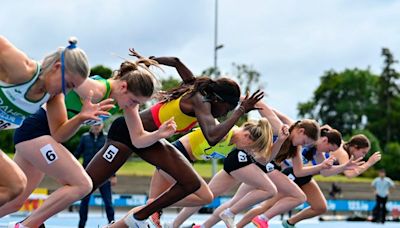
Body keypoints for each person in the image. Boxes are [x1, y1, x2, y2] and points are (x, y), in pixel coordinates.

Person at [86, 50, 264, 228]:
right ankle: (138, 216)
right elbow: (212, 137)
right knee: (86, 185)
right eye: (226, 110)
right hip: (127, 133)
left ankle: (140, 216)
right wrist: (240, 111)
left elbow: (176, 62)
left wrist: (150, 60)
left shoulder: (196, 89)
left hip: (152, 140)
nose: (225, 114)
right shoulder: (200, 99)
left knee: (196, 188)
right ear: (218, 100)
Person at [0, 51, 165, 227]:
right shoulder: (96, 89)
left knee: (14, 202)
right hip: (36, 130)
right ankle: (26, 225)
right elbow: (71, 75)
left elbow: (138, 139)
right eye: (133, 101)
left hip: (47, 137)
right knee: (82, 184)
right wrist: (61, 61)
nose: (133, 106)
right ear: (123, 87)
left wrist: (159, 134)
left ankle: (27, 223)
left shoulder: (125, 101)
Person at [0, 36, 116, 227]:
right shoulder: (22, 69)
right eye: (69, 84)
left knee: (15, 187)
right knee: (17, 184)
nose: (67, 91)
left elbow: (59, 135)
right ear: (56, 67)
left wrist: (80, 118)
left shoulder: (53, 96)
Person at [149, 118, 277, 228]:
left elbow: (264, 159)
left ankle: (158, 209)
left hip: (180, 160)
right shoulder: (225, 133)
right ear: (246, 136)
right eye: (249, 147)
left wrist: (280, 139)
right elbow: (208, 119)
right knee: (204, 196)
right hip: (174, 155)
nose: (248, 151)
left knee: (152, 203)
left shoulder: (232, 142)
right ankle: (158, 206)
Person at [74, 123, 116, 228]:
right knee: (84, 203)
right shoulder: (85, 138)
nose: (97, 126)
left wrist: (114, 175)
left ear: (102, 125)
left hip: (104, 175)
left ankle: (113, 224)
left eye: (99, 124)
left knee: (108, 203)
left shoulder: (107, 138)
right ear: (91, 125)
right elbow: (76, 155)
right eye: (95, 124)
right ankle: (81, 225)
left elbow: (113, 158)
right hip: (87, 176)